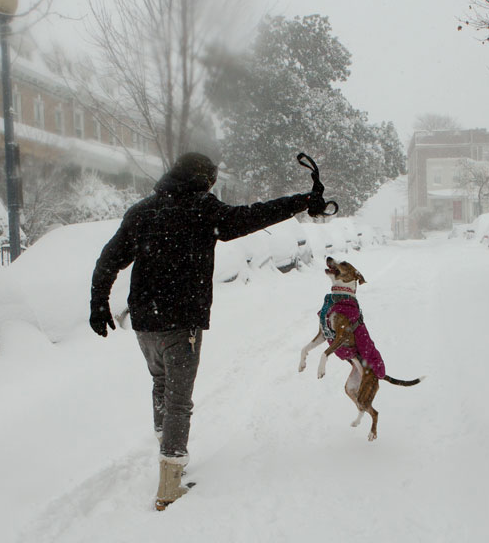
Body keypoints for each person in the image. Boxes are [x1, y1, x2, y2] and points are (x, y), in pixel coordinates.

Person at [89, 152, 325, 511]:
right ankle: (169, 483)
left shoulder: (143, 212)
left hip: (145, 320)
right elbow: (251, 216)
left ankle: (166, 448)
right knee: (178, 399)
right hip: (180, 320)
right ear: (202, 180)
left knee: (160, 383)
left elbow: (109, 258)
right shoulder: (202, 209)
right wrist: (303, 201)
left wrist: (98, 301)